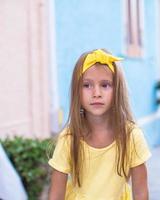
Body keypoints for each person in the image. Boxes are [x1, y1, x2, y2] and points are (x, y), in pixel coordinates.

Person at [48, 49, 151, 200]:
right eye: (87, 85)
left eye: (105, 85)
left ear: (117, 90)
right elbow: (56, 195)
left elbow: (141, 193)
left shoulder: (131, 136)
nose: (96, 93)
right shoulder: (69, 138)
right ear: (77, 91)